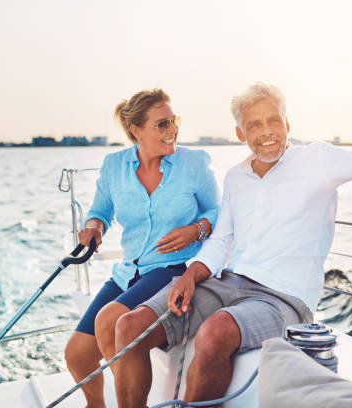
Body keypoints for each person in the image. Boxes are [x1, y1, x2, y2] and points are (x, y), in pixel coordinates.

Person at [112, 82, 352, 407]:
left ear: (287, 124)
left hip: (284, 297)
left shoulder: (317, 159)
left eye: (274, 121)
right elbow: (222, 239)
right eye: (254, 125)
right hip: (227, 283)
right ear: (240, 133)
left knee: (214, 333)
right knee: (129, 327)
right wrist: (190, 275)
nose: (266, 132)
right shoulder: (237, 176)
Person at [64, 88, 220, 408]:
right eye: (161, 124)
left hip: (174, 265)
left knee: (109, 320)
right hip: (129, 269)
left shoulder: (194, 163)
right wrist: (94, 227)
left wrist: (196, 229)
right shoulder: (113, 166)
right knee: (77, 355)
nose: (172, 129)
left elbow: (219, 212)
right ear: (136, 131)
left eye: (173, 121)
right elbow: (100, 211)